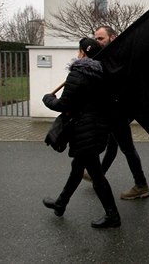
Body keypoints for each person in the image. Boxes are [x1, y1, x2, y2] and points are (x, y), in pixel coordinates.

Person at [42, 38, 121, 228]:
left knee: (96, 175)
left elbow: (64, 104)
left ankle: (113, 216)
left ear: (82, 53)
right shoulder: (104, 74)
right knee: (77, 168)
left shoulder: (77, 74)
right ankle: (61, 204)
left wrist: (47, 100)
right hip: (99, 129)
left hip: (84, 131)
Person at [84, 25, 149, 200]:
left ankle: (141, 185)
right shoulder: (107, 56)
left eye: (101, 39)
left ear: (112, 38)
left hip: (120, 110)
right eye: (95, 39)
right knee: (113, 145)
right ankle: (97, 175)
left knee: (127, 148)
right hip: (116, 109)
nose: (97, 42)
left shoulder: (117, 56)